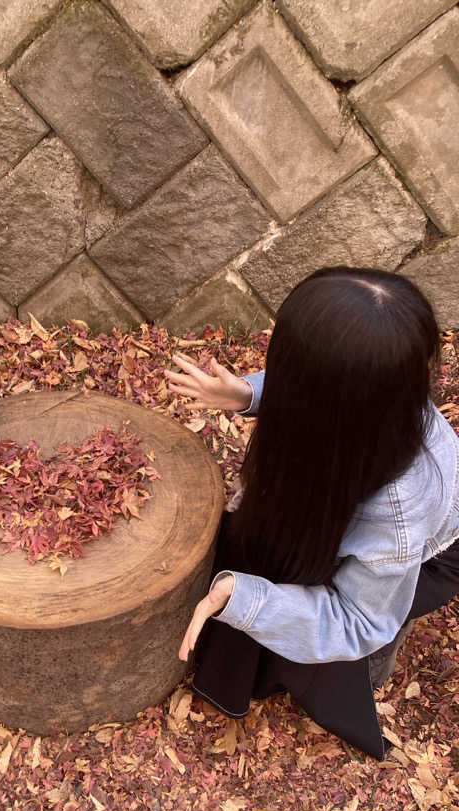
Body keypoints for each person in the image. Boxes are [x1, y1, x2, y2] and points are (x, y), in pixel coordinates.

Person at [166, 267, 459, 758]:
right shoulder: (376, 396)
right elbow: (322, 383)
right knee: (262, 547)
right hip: (348, 504)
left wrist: (248, 599)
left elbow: (361, 620)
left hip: (424, 559)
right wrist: (248, 394)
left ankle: (362, 674)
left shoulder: (401, 508)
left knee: (314, 614)